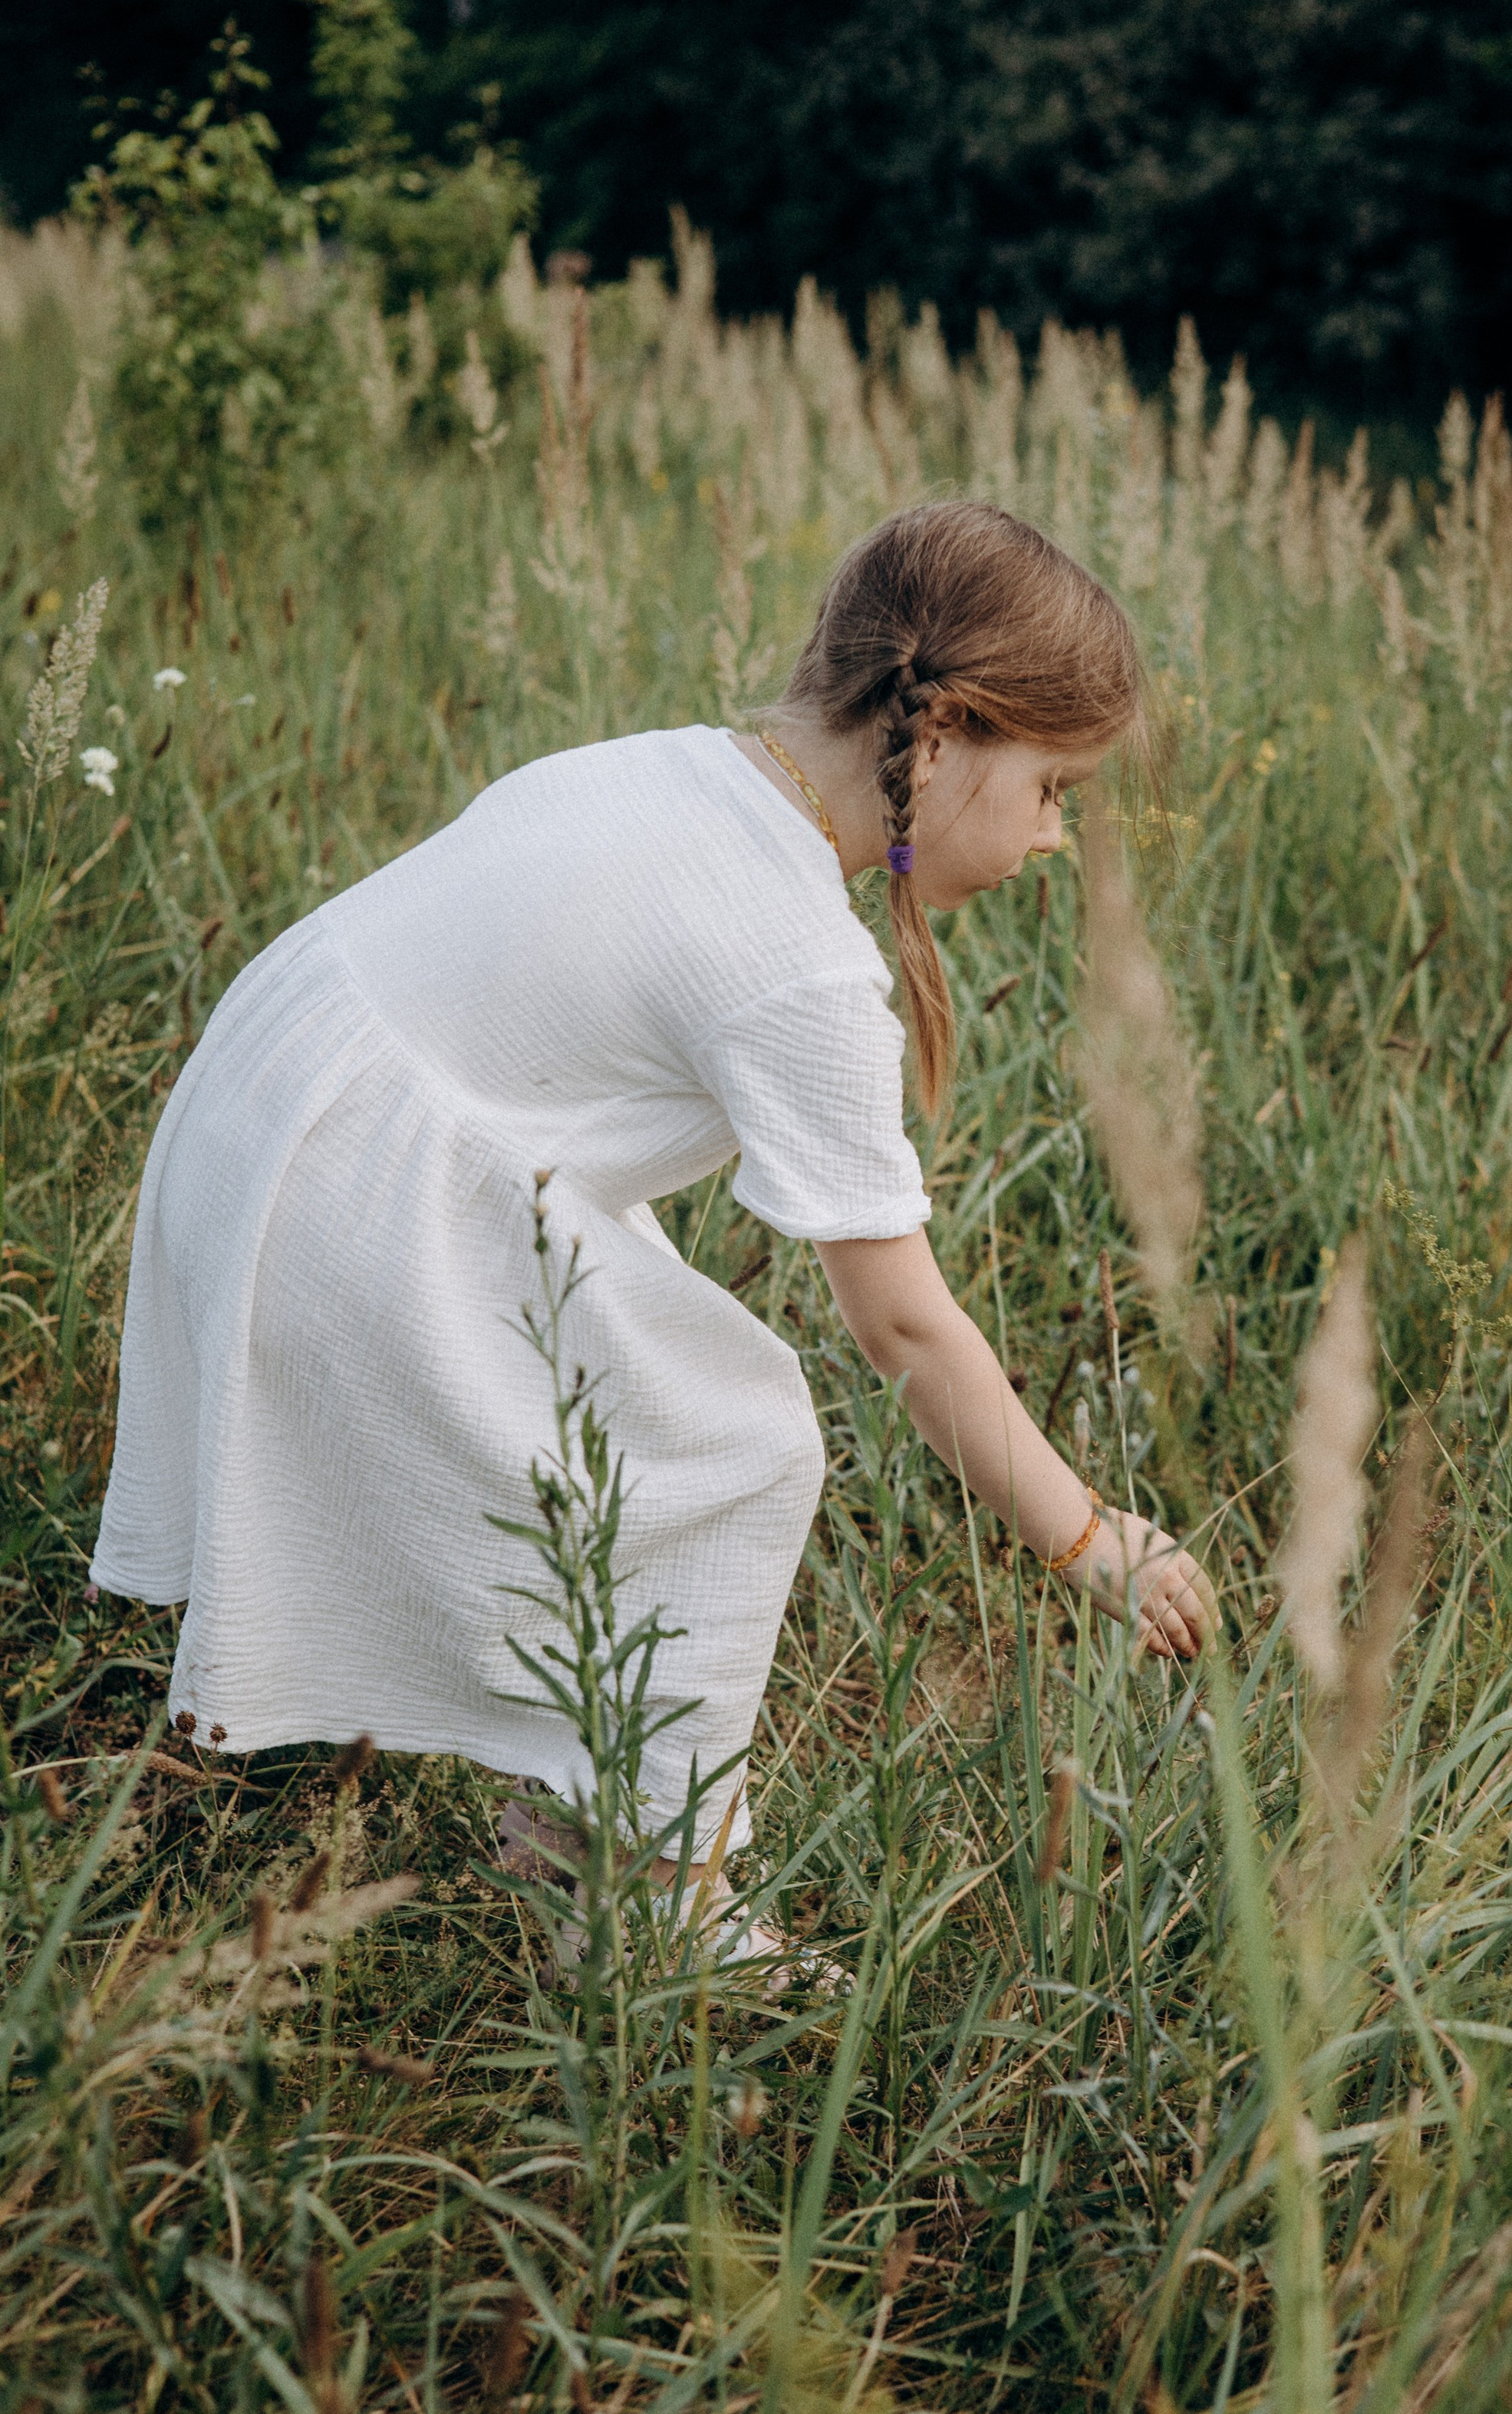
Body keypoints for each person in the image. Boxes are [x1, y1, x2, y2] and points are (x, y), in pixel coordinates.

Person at [89, 500, 1217, 1954]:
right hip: (351, 1200)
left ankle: (567, 1789)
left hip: (269, 1116)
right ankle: (639, 1899)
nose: (1057, 835)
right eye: (1055, 787)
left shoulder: (673, 771)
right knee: (736, 1443)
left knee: (635, 1392)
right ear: (944, 740)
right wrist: (1087, 1540)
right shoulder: (798, 967)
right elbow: (904, 1326)